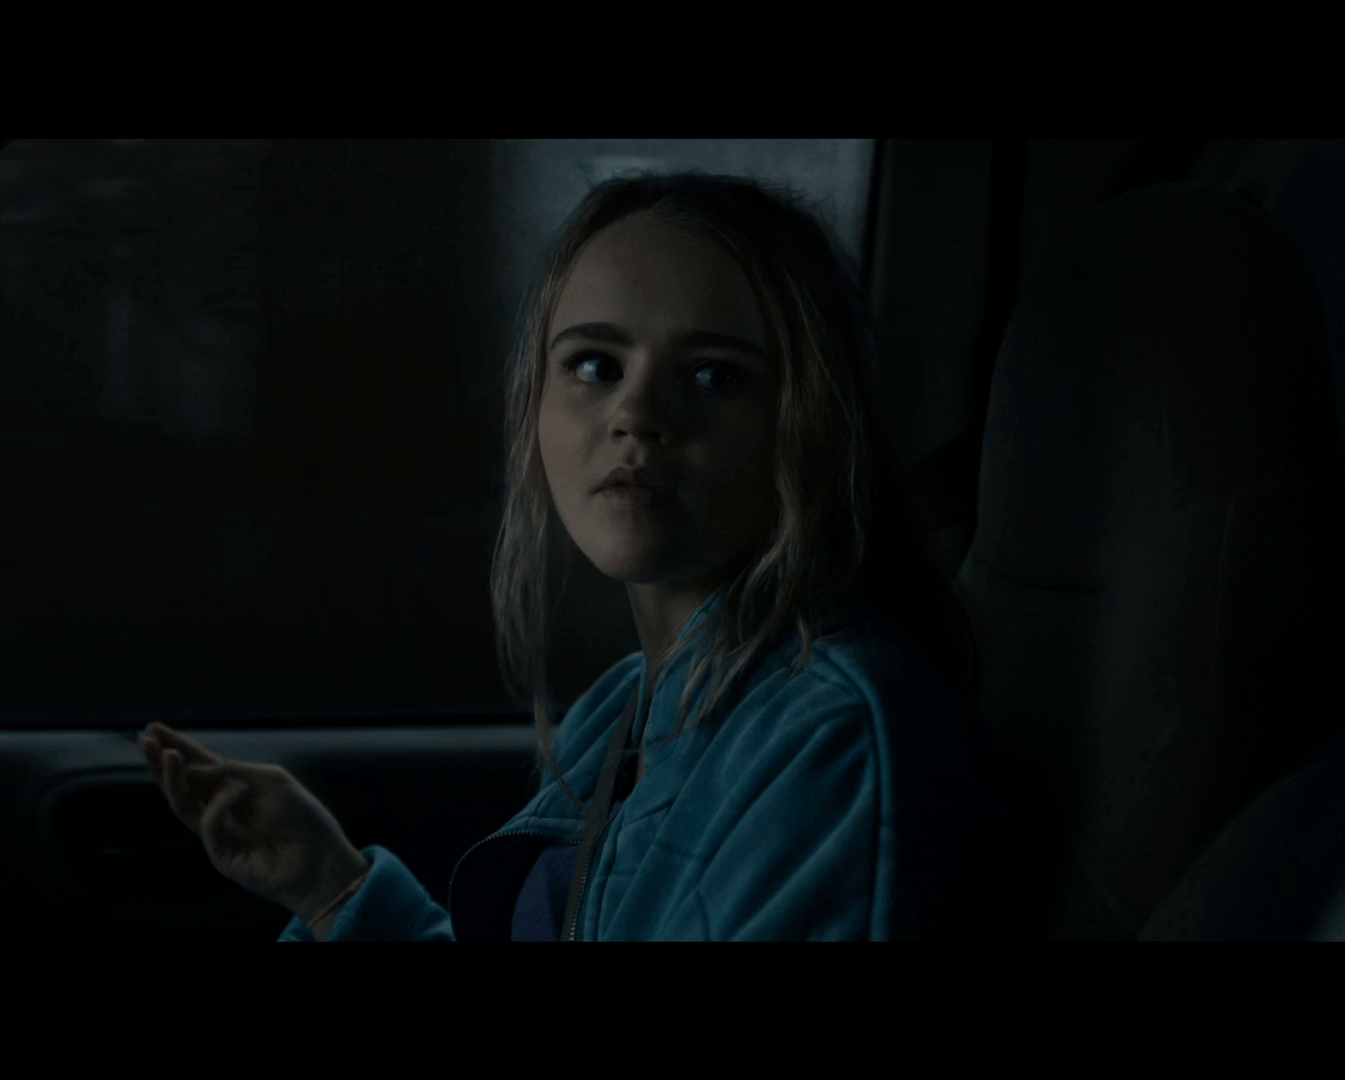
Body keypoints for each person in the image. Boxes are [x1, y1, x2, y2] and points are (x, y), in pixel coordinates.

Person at [137, 171, 1005, 940]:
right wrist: (335, 891)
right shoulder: (628, 704)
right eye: (594, 366)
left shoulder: (833, 739)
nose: (636, 415)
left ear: (808, 422)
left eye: (713, 375)